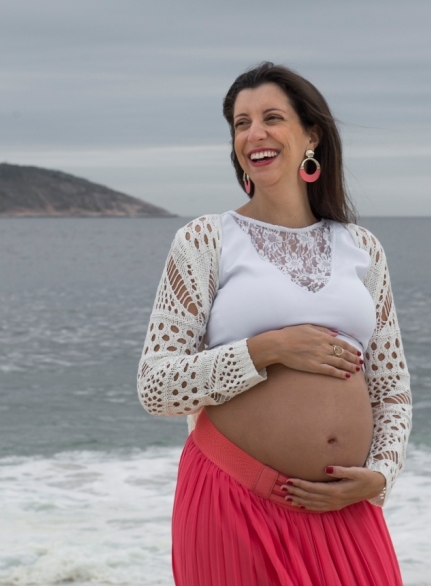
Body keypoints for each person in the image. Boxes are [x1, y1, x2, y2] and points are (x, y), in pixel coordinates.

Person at [137, 62, 411, 586]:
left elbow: (391, 388)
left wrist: (378, 475)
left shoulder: (363, 249)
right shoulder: (205, 241)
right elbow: (158, 387)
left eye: (270, 118)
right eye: (241, 123)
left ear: (311, 134)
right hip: (234, 496)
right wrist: (267, 349)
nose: (254, 134)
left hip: (346, 511)